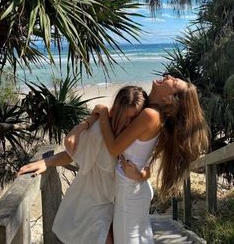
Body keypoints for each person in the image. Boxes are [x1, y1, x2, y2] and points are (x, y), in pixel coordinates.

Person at [18, 85, 149, 244]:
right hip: (94, 203)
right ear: (117, 112)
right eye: (125, 118)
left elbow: (148, 167)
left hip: (122, 203)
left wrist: (140, 175)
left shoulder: (139, 138)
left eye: (134, 119)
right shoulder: (99, 131)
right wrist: (47, 161)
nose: (129, 124)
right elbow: (72, 153)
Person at [92, 75, 209, 244]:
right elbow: (145, 156)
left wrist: (102, 113)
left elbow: (114, 148)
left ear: (170, 99)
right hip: (134, 188)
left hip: (128, 194)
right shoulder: (151, 112)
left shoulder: (150, 115)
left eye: (174, 82)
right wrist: (142, 174)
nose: (169, 76)